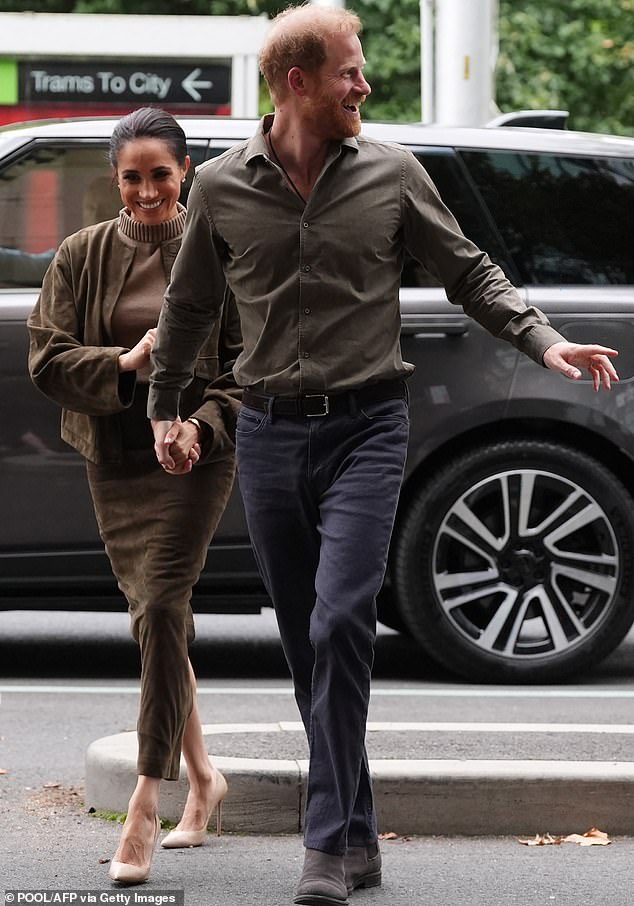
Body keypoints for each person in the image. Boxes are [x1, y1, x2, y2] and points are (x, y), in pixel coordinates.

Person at [147, 7, 618, 905]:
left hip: (369, 426)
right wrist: (169, 410)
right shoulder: (218, 186)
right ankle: (358, 835)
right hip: (271, 432)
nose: (364, 85)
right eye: (349, 72)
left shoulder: (393, 174)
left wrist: (545, 341)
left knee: (339, 626)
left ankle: (325, 848)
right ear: (297, 83)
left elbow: (470, 269)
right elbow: (190, 310)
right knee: (305, 644)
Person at [27, 107, 241, 885]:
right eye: (131, 176)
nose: (147, 190)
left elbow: (247, 372)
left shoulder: (220, 251)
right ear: (114, 180)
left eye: (160, 173)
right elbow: (48, 359)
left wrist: (199, 428)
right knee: (159, 616)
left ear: (184, 171)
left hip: (192, 458)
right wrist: (126, 360)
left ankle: (147, 805)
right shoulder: (82, 253)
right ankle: (207, 777)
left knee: (157, 606)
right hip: (114, 456)